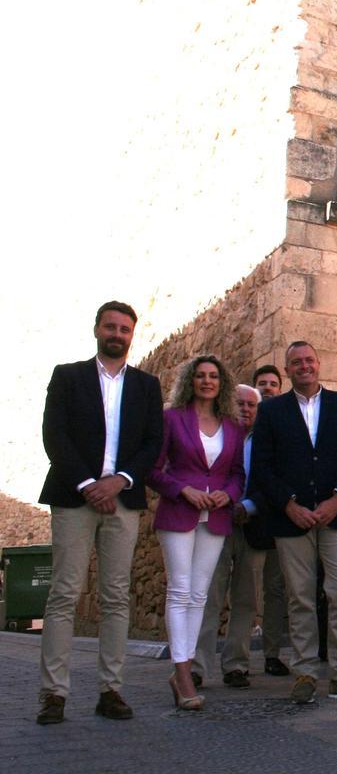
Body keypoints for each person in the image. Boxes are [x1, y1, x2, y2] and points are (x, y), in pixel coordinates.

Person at [36, 301, 164, 725]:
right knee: (63, 594)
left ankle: (111, 690)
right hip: (75, 497)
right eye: (110, 326)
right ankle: (54, 694)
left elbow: (152, 443)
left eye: (125, 328)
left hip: (123, 500)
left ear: (132, 335)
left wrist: (120, 480)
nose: (117, 334)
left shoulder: (147, 385)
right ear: (96, 330)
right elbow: (54, 435)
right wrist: (89, 484)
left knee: (114, 597)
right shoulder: (68, 377)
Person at [251, 341, 337, 704]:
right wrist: (289, 505)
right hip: (292, 519)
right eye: (295, 363)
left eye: (308, 360)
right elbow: (262, 466)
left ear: (318, 364)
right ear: (287, 369)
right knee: (300, 596)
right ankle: (305, 671)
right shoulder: (272, 412)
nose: (303, 366)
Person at [149, 355, 246, 710]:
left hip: (216, 516)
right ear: (190, 380)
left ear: (222, 383)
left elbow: (238, 474)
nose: (207, 381)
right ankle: (184, 672)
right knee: (179, 590)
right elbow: (154, 470)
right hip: (180, 512)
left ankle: (184, 670)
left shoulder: (232, 426)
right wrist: (182, 490)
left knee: (199, 595)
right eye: (201, 376)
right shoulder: (171, 419)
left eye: (214, 376)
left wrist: (229, 494)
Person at [194, 384, 265, 690]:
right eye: (240, 404)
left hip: (254, 523)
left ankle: (236, 664)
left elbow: (273, 479)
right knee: (208, 594)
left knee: (247, 599)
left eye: (252, 405)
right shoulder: (215, 435)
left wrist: (248, 506)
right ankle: (196, 666)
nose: (246, 409)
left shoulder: (268, 442)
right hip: (216, 520)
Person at [251, 363, 289, 677]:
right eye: (262, 383)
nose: (267, 388)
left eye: (273, 383)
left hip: (278, 516)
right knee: (244, 590)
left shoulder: (285, 425)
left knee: (276, 590)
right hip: (243, 518)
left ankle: (272, 653)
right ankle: (231, 660)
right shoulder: (239, 427)